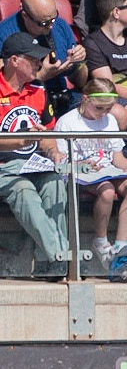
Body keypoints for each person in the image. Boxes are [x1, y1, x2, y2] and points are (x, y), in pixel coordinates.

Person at [0, 31, 70, 277]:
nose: (39, 64)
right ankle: (60, 255)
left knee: (55, 184)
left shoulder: (38, 89)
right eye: (33, 59)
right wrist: (25, 139)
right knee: (22, 188)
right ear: (14, 60)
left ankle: (47, 263)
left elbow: (46, 133)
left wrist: (53, 152)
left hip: (33, 165)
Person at [55, 76, 127, 265]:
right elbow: (62, 159)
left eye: (108, 109)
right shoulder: (68, 122)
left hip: (108, 169)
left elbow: (117, 158)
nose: (103, 113)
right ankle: (101, 241)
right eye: (99, 108)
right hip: (81, 172)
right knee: (107, 190)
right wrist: (81, 163)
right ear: (85, 99)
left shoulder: (110, 120)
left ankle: (121, 245)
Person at [0, 0, 87, 114]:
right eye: (44, 23)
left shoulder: (60, 25)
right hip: (23, 102)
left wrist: (79, 64)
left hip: (61, 96)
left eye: (53, 18)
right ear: (25, 16)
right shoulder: (2, 34)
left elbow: (80, 82)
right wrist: (42, 76)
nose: (51, 26)